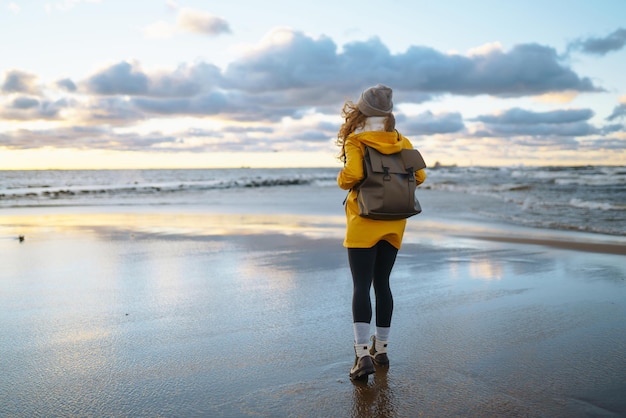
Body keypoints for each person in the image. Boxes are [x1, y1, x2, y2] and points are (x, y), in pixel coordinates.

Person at [336, 84, 427, 381]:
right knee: (383, 284)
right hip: (395, 221)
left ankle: (362, 356)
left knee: (361, 286)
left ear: (361, 111)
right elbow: (421, 175)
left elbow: (353, 175)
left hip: (364, 220)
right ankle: (382, 351)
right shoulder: (401, 139)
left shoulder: (356, 140)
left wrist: (341, 178)